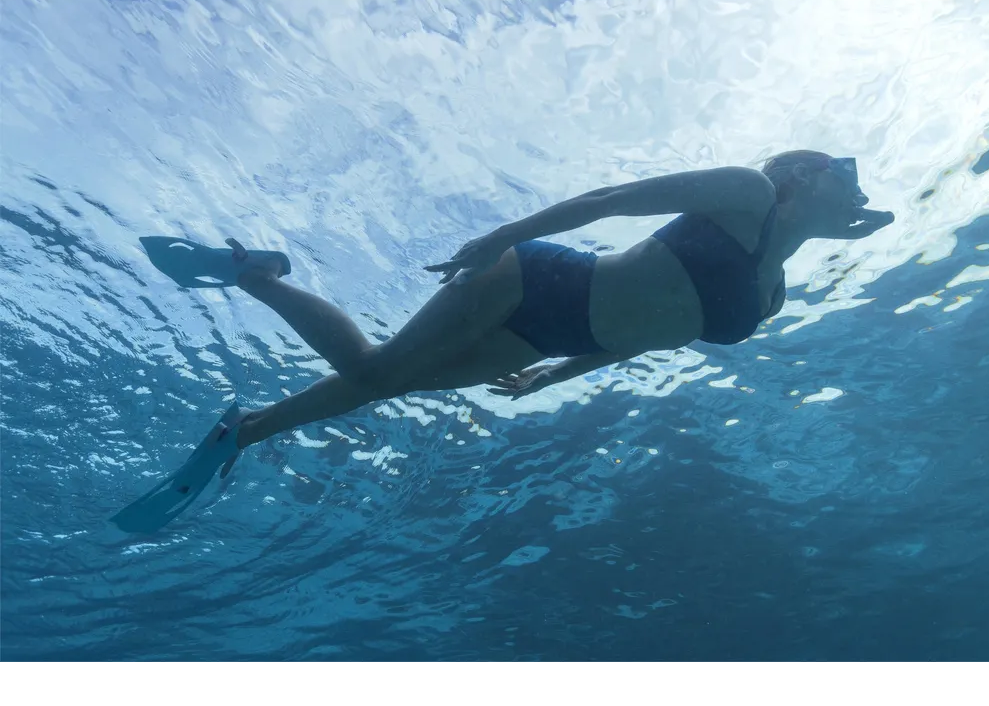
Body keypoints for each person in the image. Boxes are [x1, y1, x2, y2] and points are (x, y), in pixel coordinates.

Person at [112, 150, 893, 533]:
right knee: (374, 368)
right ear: (797, 176)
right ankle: (258, 278)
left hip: (554, 334)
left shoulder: (774, 295)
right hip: (535, 278)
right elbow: (612, 199)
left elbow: (654, 335)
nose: (859, 182)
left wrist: (551, 378)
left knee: (385, 382)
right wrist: (501, 237)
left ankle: (242, 432)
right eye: (844, 168)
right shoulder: (748, 193)